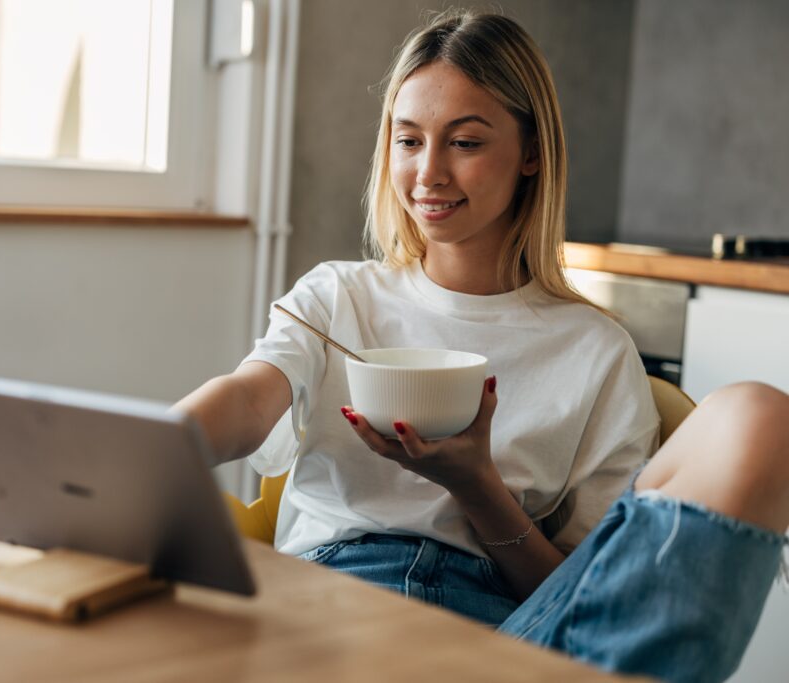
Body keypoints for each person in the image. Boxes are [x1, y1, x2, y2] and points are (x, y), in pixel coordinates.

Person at [175, 9, 789, 683]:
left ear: (531, 152)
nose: (428, 173)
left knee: (761, 416)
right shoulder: (336, 298)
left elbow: (596, 595)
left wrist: (476, 484)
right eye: (408, 141)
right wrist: (160, 441)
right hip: (330, 605)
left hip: (507, 638)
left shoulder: (596, 350)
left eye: (464, 143)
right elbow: (248, 397)